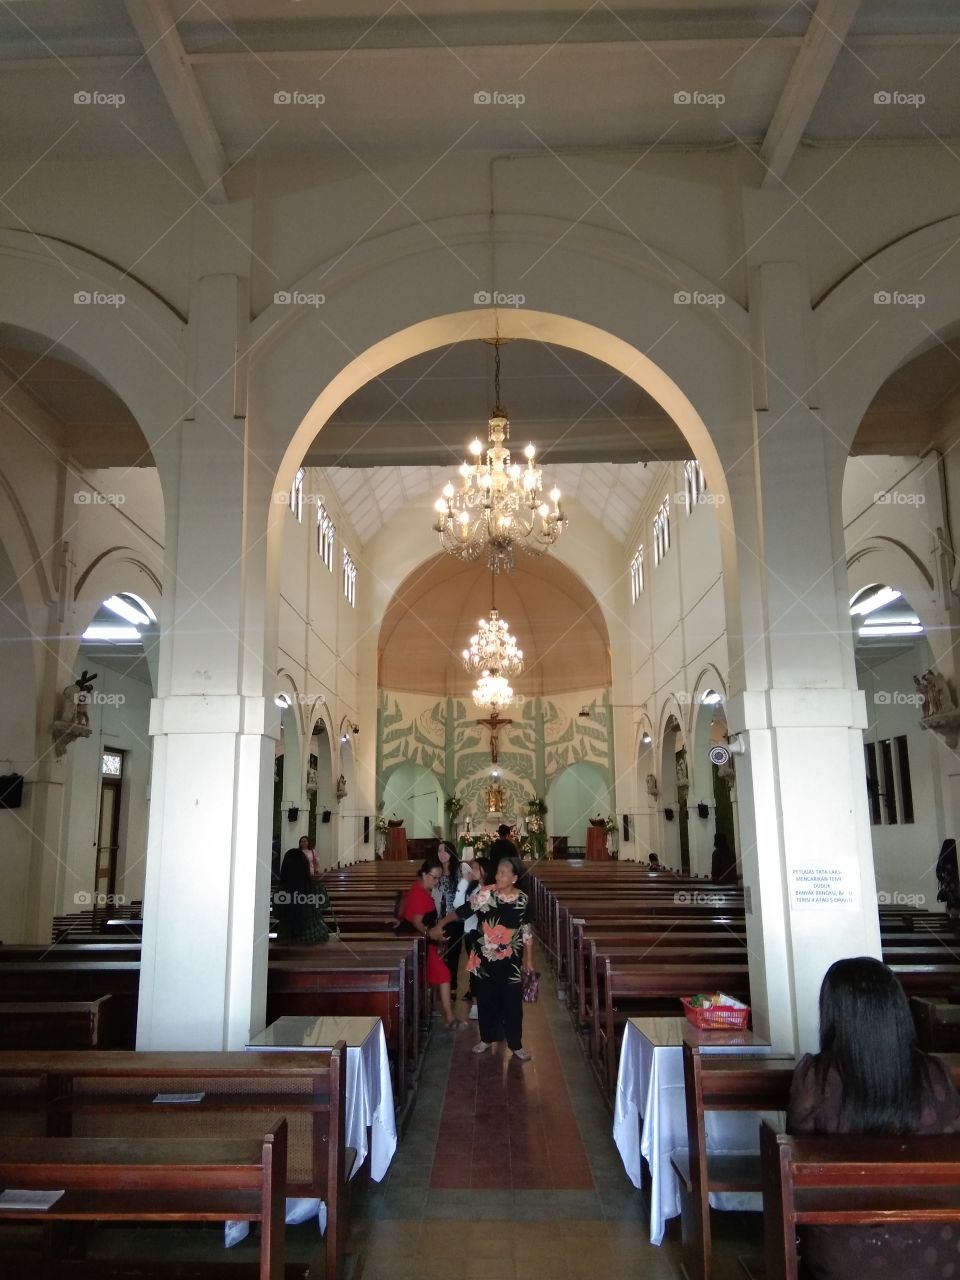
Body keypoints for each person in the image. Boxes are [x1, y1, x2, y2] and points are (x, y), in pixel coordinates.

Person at [787, 956, 960, 1280]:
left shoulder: (816, 1080)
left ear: (834, 1015)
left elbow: (797, 1167)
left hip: (845, 1261)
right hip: (941, 1257)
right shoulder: (936, 1076)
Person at [452, 843, 535, 1061]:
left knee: (512, 1002)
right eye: (497, 872)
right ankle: (486, 1038)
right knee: (487, 999)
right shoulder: (485, 894)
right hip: (484, 958)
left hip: (511, 960)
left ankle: (515, 1044)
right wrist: (441, 923)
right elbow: (463, 911)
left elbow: (526, 929)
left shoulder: (523, 900)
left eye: (503, 873)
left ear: (514, 878)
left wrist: (528, 958)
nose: (498, 876)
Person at [399, 857, 458, 1028]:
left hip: (422, 941)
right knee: (443, 974)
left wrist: (436, 935)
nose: (437, 881)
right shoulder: (418, 892)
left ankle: (443, 1014)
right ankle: (449, 1017)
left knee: (439, 974)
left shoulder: (423, 888)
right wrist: (431, 934)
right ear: (424, 874)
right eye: (434, 877)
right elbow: (417, 922)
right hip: (417, 942)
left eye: (439, 878)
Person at [275, 844, 330, 944]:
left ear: (285, 868)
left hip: (287, 939)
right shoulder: (316, 887)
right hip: (315, 937)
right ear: (305, 866)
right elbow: (325, 906)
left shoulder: (280, 891)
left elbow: (276, 914)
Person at [434, 840, 464, 1001]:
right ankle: (442, 984)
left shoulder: (459, 871)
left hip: (456, 918)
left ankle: (452, 986)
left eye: (445, 850)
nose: (442, 853)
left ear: (451, 853)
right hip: (439, 917)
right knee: (439, 953)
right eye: (439, 851)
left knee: (453, 953)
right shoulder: (435, 872)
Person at [936, 837, 960, 917]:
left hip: (948, 891)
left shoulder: (942, 861)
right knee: (955, 915)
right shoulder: (952, 862)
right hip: (954, 892)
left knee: (950, 914)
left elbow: (939, 875)